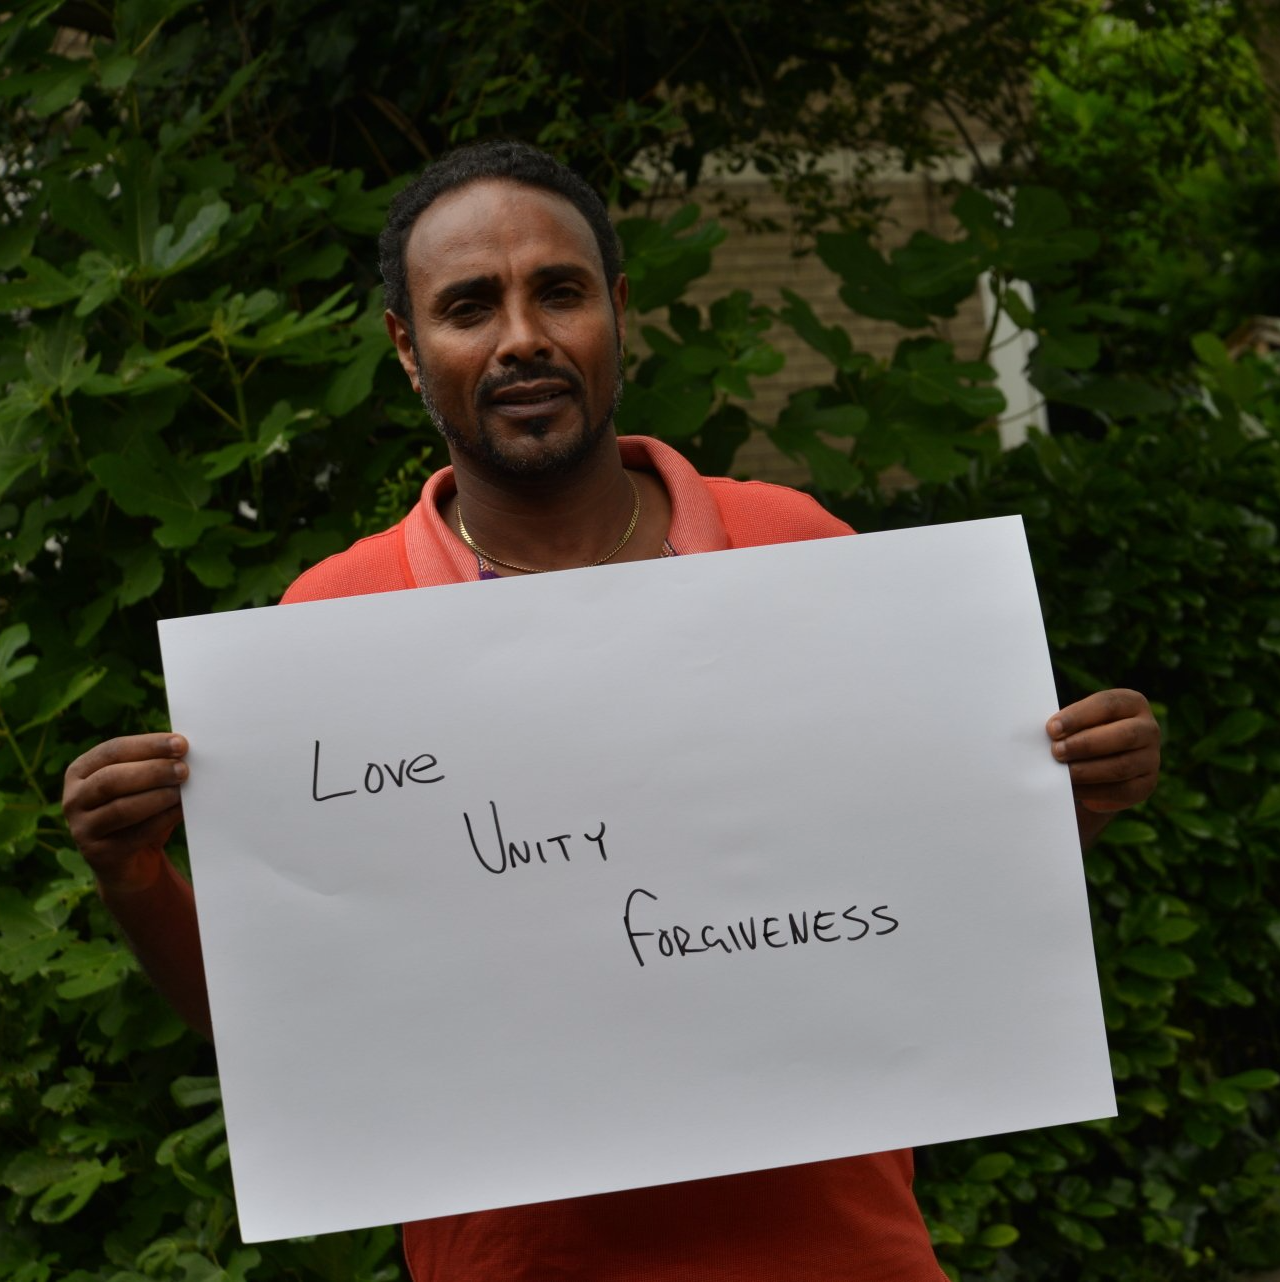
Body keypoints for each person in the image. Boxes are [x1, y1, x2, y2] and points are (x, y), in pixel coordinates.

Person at [62, 140, 1161, 1281]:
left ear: (617, 314)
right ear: (406, 346)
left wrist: (1065, 802)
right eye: (468, 306)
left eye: (560, 291)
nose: (521, 336)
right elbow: (282, 1035)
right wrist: (131, 873)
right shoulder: (332, 625)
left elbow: (933, 913)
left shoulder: (793, 549)